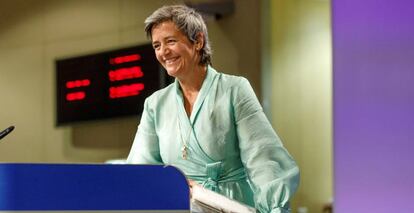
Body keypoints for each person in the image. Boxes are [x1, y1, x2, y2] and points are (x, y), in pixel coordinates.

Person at [127, 5, 299, 213]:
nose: (163, 52)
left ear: (198, 41)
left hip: (231, 205)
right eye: (156, 45)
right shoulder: (155, 104)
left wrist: (275, 208)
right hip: (180, 207)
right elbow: (140, 171)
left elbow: (264, 159)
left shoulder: (234, 90)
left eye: (171, 41)